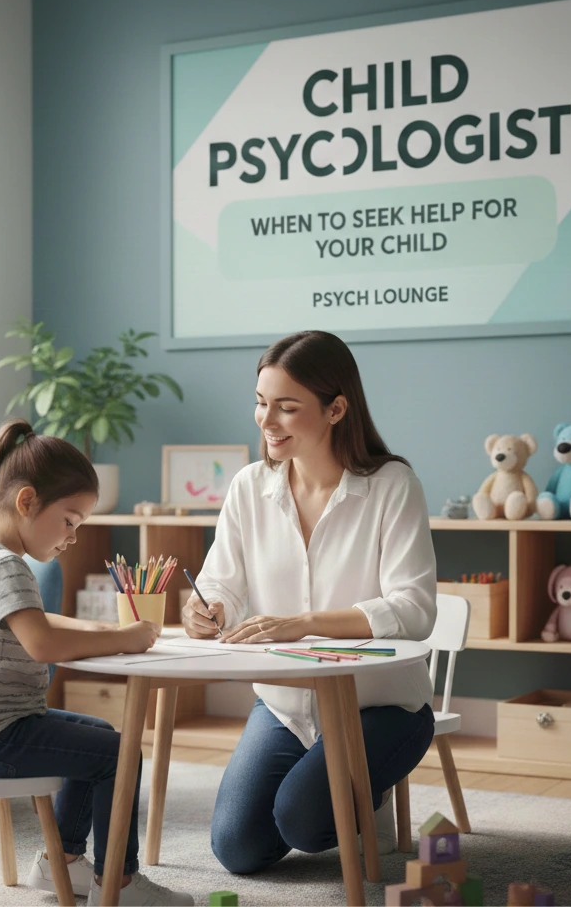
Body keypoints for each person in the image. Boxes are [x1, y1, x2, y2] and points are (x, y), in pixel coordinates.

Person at [182, 330, 437, 875]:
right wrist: (207, 609)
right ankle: (330, 787)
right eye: (260, 402)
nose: (266, 420)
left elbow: (415, 609)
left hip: (382, 708)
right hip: (286, 706)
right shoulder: (249, 487)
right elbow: (219, 583)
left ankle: (363, 797)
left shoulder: (393, 485)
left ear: (336, 409)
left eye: (286, 407)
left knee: (302, 820)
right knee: (237, 849)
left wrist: (303, 624)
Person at [0, 419, 193, 907]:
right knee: (120, 754)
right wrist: (122, 638)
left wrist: (98, 629)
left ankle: (63, 861)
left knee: (101, 736)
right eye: (70, 521)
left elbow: (34, 621)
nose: (72, 537)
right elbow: (42, 645)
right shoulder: (7, 566)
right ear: (27, 501)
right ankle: (119, 883)